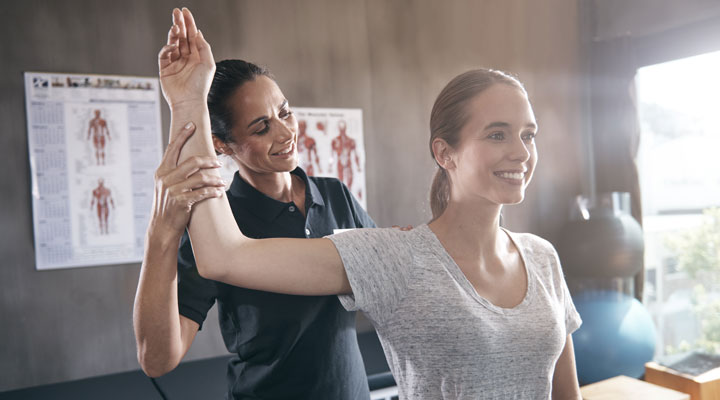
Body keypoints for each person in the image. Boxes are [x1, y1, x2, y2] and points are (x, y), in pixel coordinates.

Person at [158, 8, 583, 399]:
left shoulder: (543, 258)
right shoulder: (396, 260)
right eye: (497, 134)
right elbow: (221, 256)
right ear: (445, 153)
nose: (522, 152)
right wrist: (187, 103)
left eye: (529, 134)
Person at [133, 12, 376, 400]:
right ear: (222, 145)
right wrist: (160, 232)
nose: (285, 133)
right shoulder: (217, 227)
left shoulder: (334, 195)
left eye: (284, 112)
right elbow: (157, 359)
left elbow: (384, 283)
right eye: (261, 127)